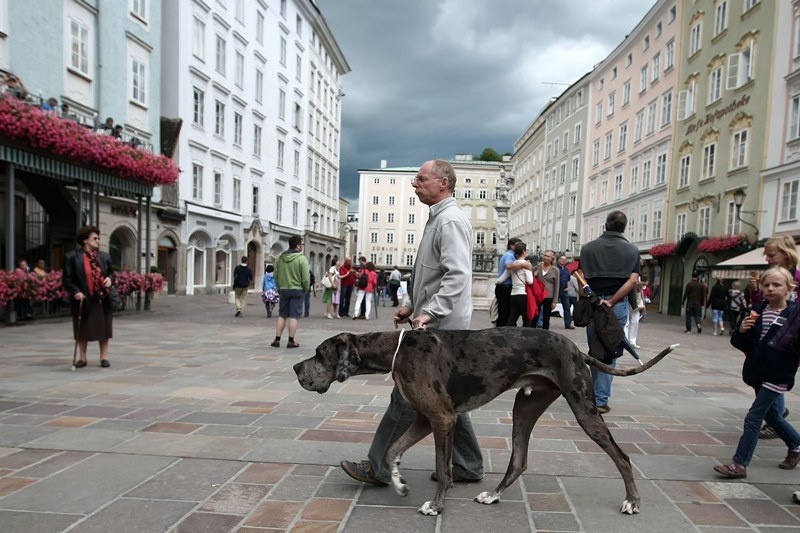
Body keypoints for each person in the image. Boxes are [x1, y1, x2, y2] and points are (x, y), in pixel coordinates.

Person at [341, 159, 483, 486]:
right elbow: (428, 274)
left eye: (421, 179)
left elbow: (457, 275)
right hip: (438, 327)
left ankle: (378, 466)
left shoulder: (448, 221)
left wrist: (430, 311)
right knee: (446, 396)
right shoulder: (439, 218)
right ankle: (468, 464)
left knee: (406, 395)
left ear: (444, 183)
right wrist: (410, 305)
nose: (415, 184)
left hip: (441, 331)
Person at [713, 267, 800, 479]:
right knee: (773, 415)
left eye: (777, 285)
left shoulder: (794, 315)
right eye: (767, 284)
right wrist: (742, 329)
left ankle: (739, 463)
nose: (770, 288)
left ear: (789, 288)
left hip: (778, 374)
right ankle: (796, 445)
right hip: (758, 372)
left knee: (754, 417)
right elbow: (741, 343)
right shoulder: (758, 310)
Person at [579, 210, 640, 414]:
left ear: (605, 225)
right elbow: (632, 281)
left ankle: (596, 394)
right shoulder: (632, 250)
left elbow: (580, 277)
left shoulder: (588, 249)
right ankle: (600, 398)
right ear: (624, 228)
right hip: (617, 303)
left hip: (593, 302)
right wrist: (612, 301)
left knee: (596, 348)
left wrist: (590, 298)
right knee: (610, 346)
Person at [63, 225, 114, 368]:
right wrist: (76, 292)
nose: (98, 240)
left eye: (98, 238)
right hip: (83, 298)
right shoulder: (71, 257)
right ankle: (82, 358)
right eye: (95, 238)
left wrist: (110, 279)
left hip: (102, 298)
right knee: (82, 329)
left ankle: (104, 357)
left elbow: (111, 273)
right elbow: (67, 279)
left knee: (105, 329)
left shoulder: (104, 257)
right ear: (85, 240)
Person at [271, 235, 309, 349]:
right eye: (302, 244)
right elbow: (305, 278)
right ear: (297, 246)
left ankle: (277, 339)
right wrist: (305, 289)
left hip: (283, 289)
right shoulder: (301, 259)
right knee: (293, 315)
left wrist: (279, 287)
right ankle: (291, 340)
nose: (302, 246)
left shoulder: (279, 258)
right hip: (297, 289)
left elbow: (275, 275)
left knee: (282, 314)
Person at [495, 241, 533, 327]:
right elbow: (530, 281)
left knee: (512, 317)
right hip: (524, 294)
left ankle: (508, 334)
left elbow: (500, 280)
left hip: (513, 294)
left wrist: (496, 283)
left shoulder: (512, 265)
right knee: (526, 319)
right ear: (523, 251)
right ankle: (526, 337)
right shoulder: (526, 264)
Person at [533, 250, 559, 330]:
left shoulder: (555, 270)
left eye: (548, 256)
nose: (545, 257)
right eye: (545, 255)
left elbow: (557, 285)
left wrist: (555, 301)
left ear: (552, 259)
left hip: (549, 296)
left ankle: (545, 333)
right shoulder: (538, 267)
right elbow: (529, 275)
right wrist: (534, 275)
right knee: (535, 315)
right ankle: (532, 331)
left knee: (546, 317)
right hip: (538, 295)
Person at [557, 254, 575, 329]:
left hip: (564, 291)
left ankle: (568, 324)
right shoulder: (555, 268)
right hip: (556, 290)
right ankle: (542, 322)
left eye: (565, 259)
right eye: (562, 259)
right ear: (558, 260)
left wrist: (568, 287)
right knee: (549, 306)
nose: (563, 260)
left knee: (567, 307)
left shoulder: (567, 269)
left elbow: (568, 279)